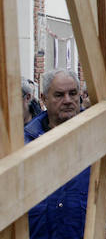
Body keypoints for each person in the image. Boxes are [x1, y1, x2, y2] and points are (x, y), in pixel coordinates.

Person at [24, 68, 90, 239]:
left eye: (73, 93)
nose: (68, 100)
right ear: (44, 98)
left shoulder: (97, 134)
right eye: (59, 95)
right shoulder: (25, 143)